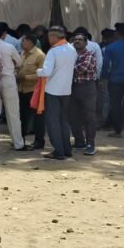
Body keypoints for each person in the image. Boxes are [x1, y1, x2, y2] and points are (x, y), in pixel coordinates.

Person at [37, 26, 77, 160]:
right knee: (63, 120)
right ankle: (67, 149)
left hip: (53, 90)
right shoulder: (71, 49)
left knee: (53, 121)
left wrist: (38, 71)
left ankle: (58, 151)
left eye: (49, 36)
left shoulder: (53, 51)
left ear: (54, 36)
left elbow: (46, 71)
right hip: (66, 89)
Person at [0, 23, 25, 150]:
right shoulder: (9, 47)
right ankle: (18, 143)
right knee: (13, 114)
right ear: (4, 33)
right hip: (8, 81)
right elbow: (19, 62)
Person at [70, 33, 99, 155]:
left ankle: (90, 144)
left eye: (80, 40)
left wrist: (66, 68)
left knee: (89, 117)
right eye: (75, 39)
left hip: (87, 87)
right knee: (73, 116)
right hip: (73, 87)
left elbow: (79, 70)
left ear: (86, 43)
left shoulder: (89, 55)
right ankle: (79, 142)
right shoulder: (71, 55)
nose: (77, 41)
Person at [17, 34, 46, 149]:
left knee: (38, 117)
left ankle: (39, 141)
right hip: (22, 89)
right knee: (22, 116)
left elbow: (43, 74)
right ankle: (20, 139)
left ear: (30, 42)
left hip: (34, 90)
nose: (21, 43)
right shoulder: (22, 54)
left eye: (23, 41)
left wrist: (25, 77)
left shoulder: (40, 55)